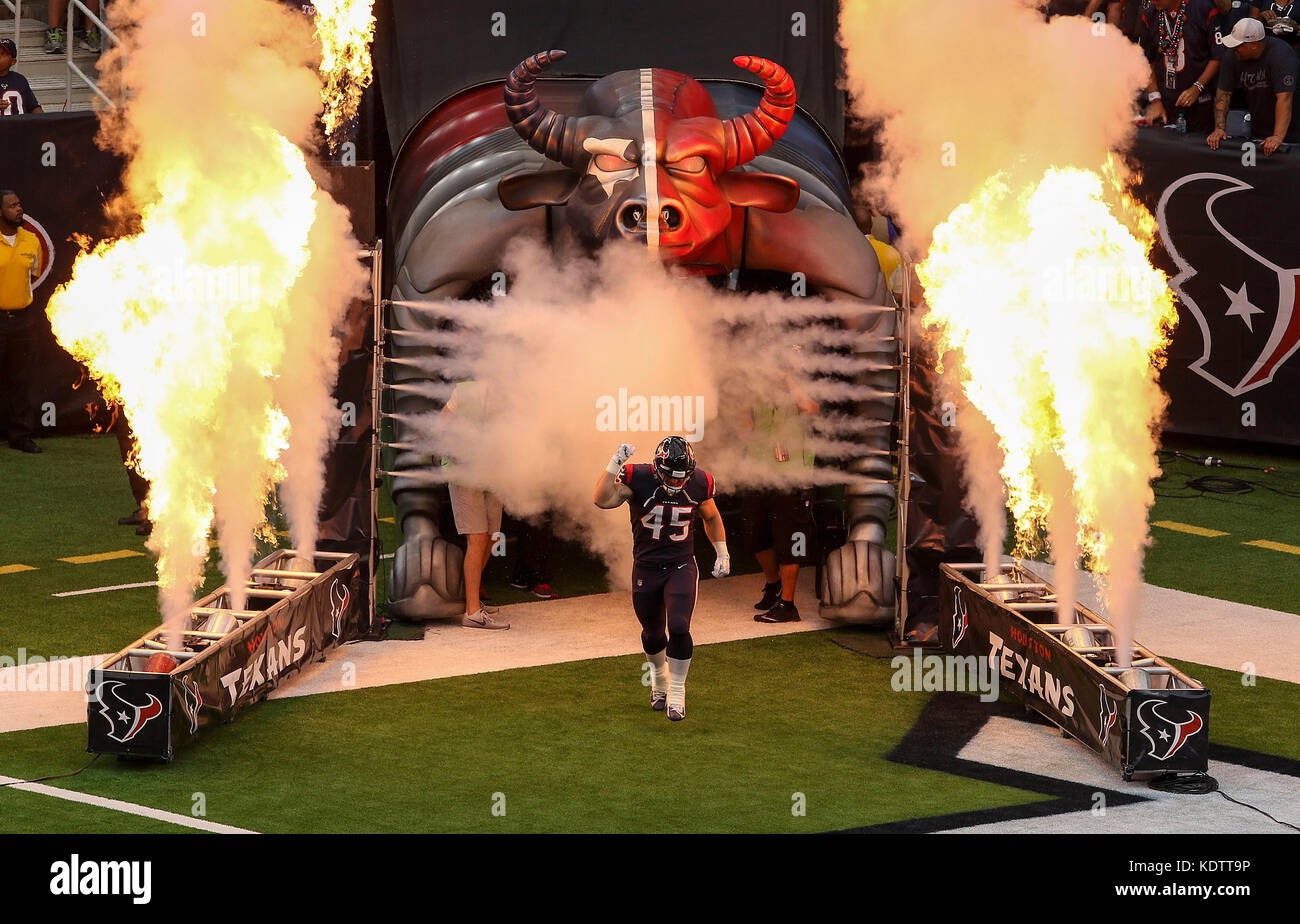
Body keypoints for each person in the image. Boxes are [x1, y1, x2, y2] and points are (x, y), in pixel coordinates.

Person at [593, 437, 730, 722]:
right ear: (657, 468)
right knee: (653, 632)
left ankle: (677, 692)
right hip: (647, 566)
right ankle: (659, 680)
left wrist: (722, 552)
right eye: (670, 475)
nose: (677, 483)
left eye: (683, 477)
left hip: (681, 563)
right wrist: (614, 462)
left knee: (679, 627)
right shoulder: (638, 477)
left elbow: (712, 517)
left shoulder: (699, 483)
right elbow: (601, 499)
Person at [743, 366, 820, 624]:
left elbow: (811, 409)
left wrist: (788, 378)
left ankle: (788, 605)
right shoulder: (758, 391)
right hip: (760, 473)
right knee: (755, 537)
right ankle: (773, 585)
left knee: (790, 544)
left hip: (792, 477)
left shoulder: (798, 386)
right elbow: (746, 423)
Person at [441, 380, 509, 629]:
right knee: (478, 538)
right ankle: (471, 612)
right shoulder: (465, 391)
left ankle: (471, 599)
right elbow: (442, 423)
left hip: (492, 472)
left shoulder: (514, 396)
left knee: (492, 537)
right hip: (464, 471)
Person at [1210, 17, 1299, 152]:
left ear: (1254, 44)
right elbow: (1223, 93)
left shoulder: (1282, 55)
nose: (1234, 49)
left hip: (1293, 132)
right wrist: (1219, 128)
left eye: (1238, 46)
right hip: (1259, 128)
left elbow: (1284, 99)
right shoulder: (1233, 55)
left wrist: (1277, 136)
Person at [0, 190, 45, 453]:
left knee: (20, 381)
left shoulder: (31, 240)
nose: (18, 209)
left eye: (19, 203)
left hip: (22, 322)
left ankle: (20, 437)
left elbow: (34, 273)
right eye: (12, 205)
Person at [1140, 0, 1226, 132]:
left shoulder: (1203, 8)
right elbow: (1147, 61)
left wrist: (1197, 87)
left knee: (1198, 150)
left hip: (1200, 102)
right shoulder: (1151, 14)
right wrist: (1155, 99)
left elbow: (1218, 56)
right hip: (1165, 103)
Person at [0, 39, 44, 116]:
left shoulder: (20, 79)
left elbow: (33, 106)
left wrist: (45, 122)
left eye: (2, 54)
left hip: (21, 126)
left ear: (13, 61)